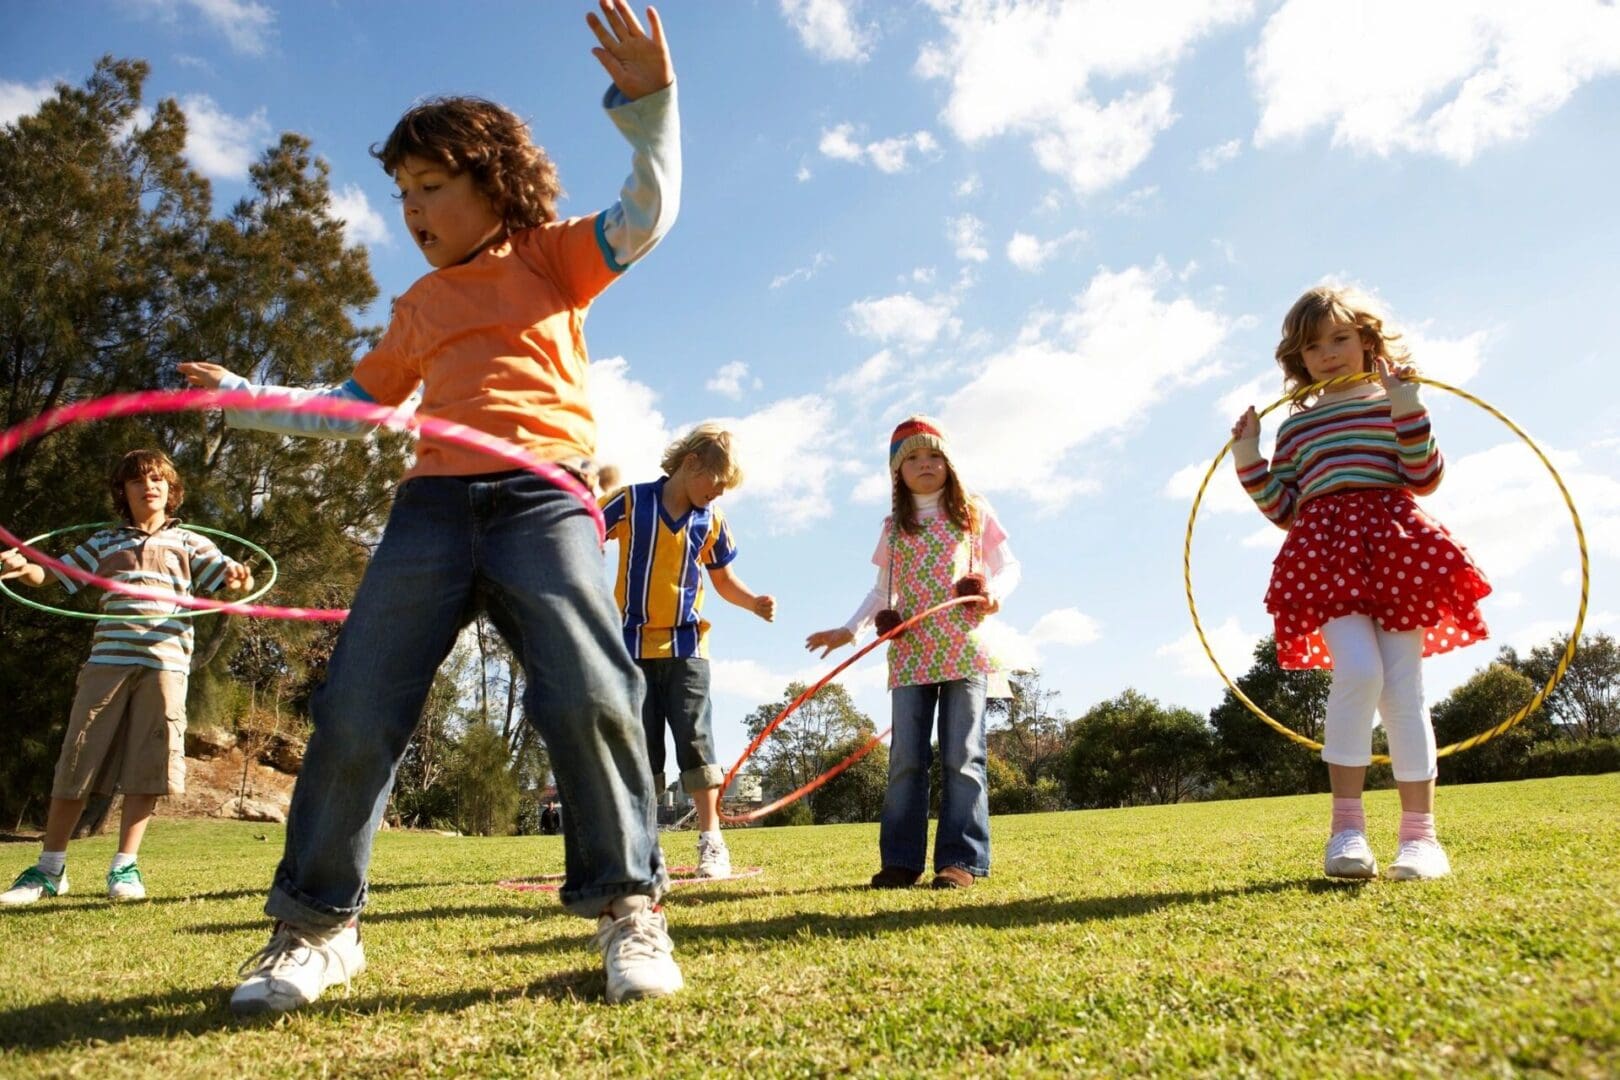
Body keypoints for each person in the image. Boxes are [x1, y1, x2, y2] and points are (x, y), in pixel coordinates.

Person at [178, 0, 684, 1010]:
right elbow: (346, 413)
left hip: (543, 499)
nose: (411, 209)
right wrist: (248, 397)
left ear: (493, 183)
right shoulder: (417, 308)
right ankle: (314, 929)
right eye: (402, 192)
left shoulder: (549, 256)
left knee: (587, 691)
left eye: (432, 186)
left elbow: (647, 213)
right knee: (358, 707)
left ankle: (631, 909)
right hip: (430, 509)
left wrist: (652, 109)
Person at [1231, 284, 1491, 882]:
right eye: (1313, 347)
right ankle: (1346, 831)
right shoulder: (1296, 428)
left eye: (1340, 339)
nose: (1328, 354)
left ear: (1368, 341)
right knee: (1360, 669)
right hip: (1324, 551)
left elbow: (1424, 476)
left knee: (1403, 690)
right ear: (1299, 360)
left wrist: (1407, 405)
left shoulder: (1392, 401)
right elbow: (1284, 507)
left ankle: (1420, 839)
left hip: (1396, 547)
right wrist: (1249, 453)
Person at [0, 449, 252, 907]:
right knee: (78, 757)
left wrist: (239, 576)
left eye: (157, 479)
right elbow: (50, 575)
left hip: (166, 665)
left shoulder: (192, 543)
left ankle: (124, 866)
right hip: (107, 663)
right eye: (137, 480)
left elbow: (230, 581)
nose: (148, 486)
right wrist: (23, 568)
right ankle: (49, 868)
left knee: (148, 764)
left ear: (171, 491)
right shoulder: (104, 542)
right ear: (124, 492)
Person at [805, 417, 1019, 890]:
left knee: (963, 755)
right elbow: (882, 591)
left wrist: (993, 591)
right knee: (906, 757)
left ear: (950, 463)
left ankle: (960, 861)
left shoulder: (973, 512)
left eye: (934, 456)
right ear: (897, 473)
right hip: (911, 653)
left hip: (965, 647)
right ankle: (901, 860)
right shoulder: (894, 528)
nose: (925, 465)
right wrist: (849, 630)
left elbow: (1009, 565)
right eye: (913, 459)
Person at [600, 424, 775, 878]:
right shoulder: (631, 502)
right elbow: (586, 532)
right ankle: (639, 847)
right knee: (640, 747)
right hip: (631, 646)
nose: (717, 496)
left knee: (696, 740)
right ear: (691, 462)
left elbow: (722, 580)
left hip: (688, 646)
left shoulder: (710, 520)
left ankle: (711, 841)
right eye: (715, 484)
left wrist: (752, 601)